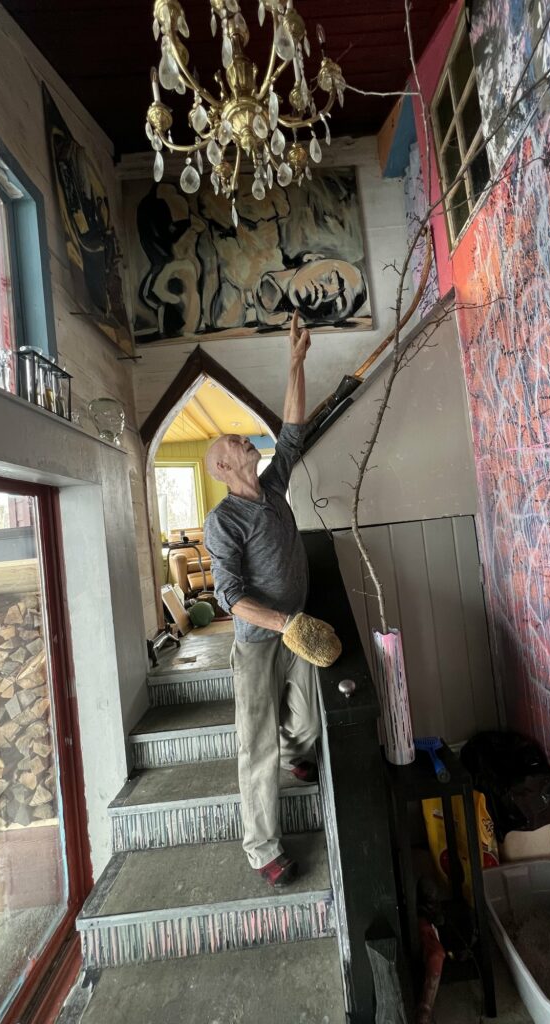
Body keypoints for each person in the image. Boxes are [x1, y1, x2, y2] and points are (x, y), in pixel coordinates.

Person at [203, 312, 337, 887]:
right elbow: (231, 596)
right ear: (223, 466)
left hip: (294, 631)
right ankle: (262, 848)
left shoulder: (274, 484)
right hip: (261, 643)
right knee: (255, 744)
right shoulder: (223, 520)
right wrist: (284, 623)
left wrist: (295, 361)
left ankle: (296, 754)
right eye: (232, 440)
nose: (241, 436)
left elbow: (292, 429)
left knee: (306, 723)